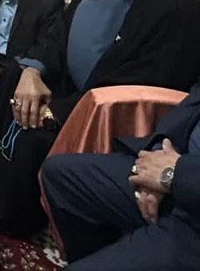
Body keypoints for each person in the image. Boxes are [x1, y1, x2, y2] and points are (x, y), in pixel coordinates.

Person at [0, 0, 200, 238]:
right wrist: (32, 71)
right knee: (11, 78)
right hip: (71, 89)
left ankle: (12, 224)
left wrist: (56, 111)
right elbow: (58, 35)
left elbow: (130, 90)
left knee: (31, 133)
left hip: (103, 114)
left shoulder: (172, 13)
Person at [41, 82, 200, 269]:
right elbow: (193, 102)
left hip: (192, 221)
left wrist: (172, 176)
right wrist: (160, 154)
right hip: (182, 170)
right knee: (60, 174)